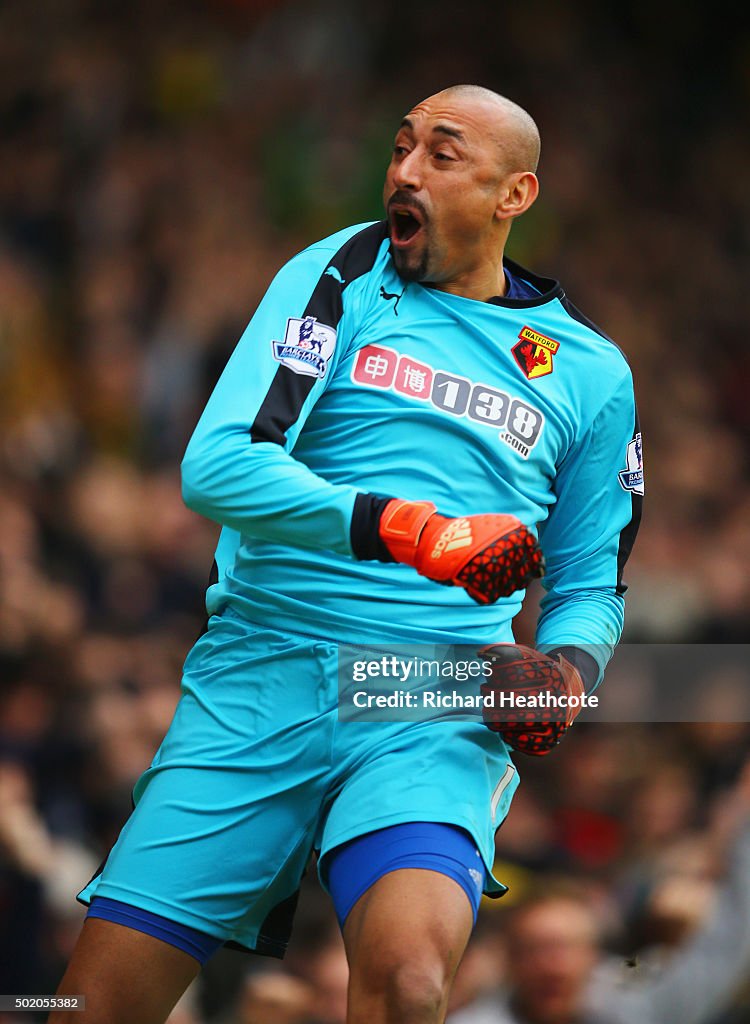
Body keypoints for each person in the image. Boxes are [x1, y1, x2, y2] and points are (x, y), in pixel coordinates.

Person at [51, 84, 642, 1024]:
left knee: (409, 984)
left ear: (513, 196)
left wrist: (567, 670)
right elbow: (218, 465)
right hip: (260, 677)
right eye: (401, 146)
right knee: (91, 1006)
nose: (404, 170)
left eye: (442, 155)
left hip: (430, 700)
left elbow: (591, 581)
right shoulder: (345, 271)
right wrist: (418, 530)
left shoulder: (591, 372)